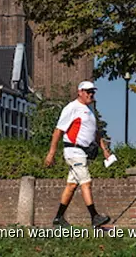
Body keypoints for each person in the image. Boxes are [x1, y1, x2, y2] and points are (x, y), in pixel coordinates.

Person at [45, 81, 111, 228]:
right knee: (86, 181)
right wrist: (51, 153)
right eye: (88, 92)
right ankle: (94, 217)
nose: (91, 94)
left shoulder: (90, 109)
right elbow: (58, 130)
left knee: (72, 185)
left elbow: (96, 133)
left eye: (93, 92)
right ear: (80, 92)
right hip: (74, 151)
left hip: (83, 152)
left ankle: (58, 218)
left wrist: (105, 150)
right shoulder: (72, 108)